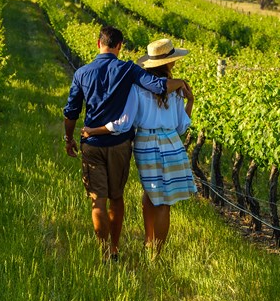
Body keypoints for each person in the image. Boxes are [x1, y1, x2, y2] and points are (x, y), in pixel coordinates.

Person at [64, 26, 191, 261]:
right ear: (120, 46)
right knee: (121, 197)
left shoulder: (84, 73)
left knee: (99, 200)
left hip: (100, 143)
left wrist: (71, 137)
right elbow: (165, 98)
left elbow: (74, 111)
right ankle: (126, 249)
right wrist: (184, 90)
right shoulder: (132, 72)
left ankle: (105, 252)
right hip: (135, 145)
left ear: (97, 42)